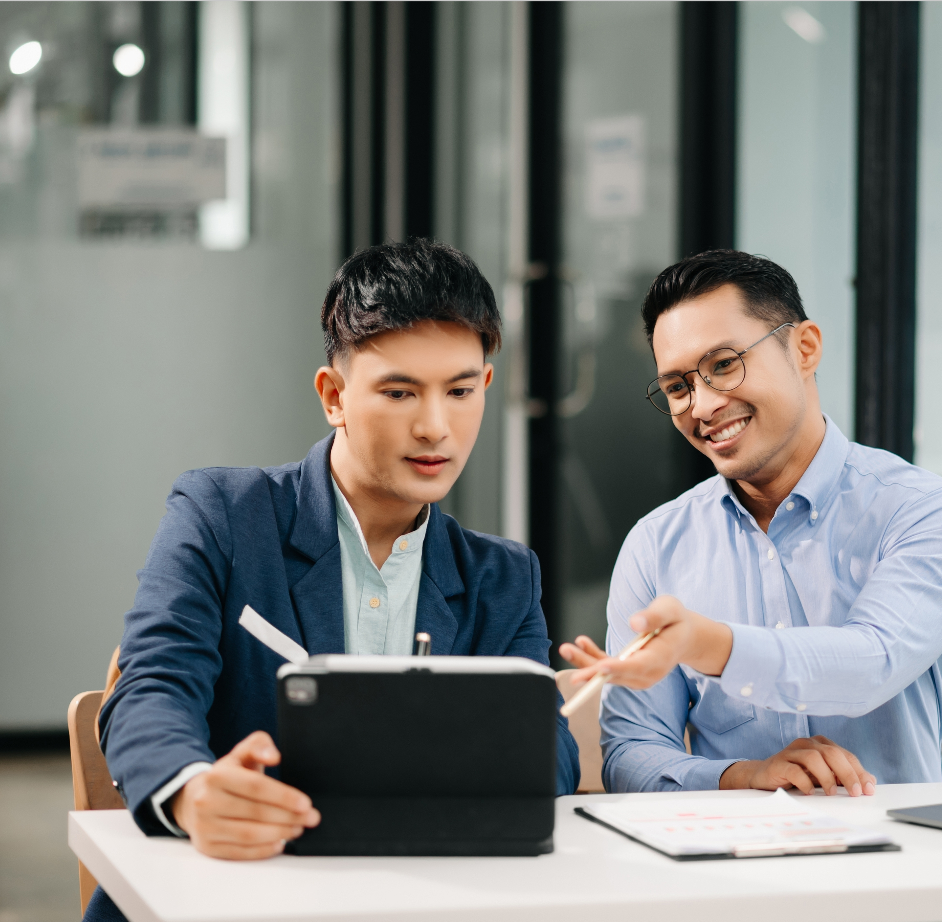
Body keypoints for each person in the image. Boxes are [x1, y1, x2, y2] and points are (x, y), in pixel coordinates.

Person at [85, 241, 579, 921]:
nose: (436, 426)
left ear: (485, 390)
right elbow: (152, 685)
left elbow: (544, 761)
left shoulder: (503, 577)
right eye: (400, 391)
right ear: (334, 395)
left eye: (460, 391)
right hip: (229, 895)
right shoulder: (223, 516)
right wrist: (192, 792)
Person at [560, 250, 942, 798]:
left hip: (898, 854)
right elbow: (631, 754)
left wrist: (706, 643)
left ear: (804, 348)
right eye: (677, 387)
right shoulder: (656, 545)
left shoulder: (929, 513)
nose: (703, 405)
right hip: (721, 864)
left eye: (723, 364)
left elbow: (871, 663)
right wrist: (745, 777)